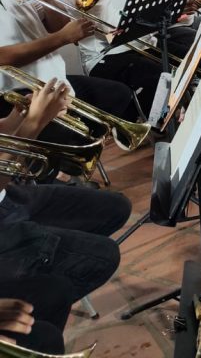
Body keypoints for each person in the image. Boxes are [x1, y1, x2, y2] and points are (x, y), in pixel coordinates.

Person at [0, 81, 130, 354]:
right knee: (93, 264)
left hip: (9, 196)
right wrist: (32, 124)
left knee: (116, 208)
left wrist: (13, 122)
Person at [0, 0, 137, 124]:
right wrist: (62, 38)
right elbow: (3, 56)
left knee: (118, 94)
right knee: (75, 131)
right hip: (18, 90)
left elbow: (57, 24)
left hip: (53, 78)